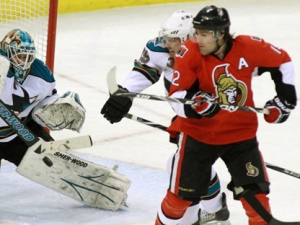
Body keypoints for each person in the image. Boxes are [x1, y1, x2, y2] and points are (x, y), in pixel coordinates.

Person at [155, 5, 297, 225]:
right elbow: (177, 97)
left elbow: (283, 60)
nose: (197, 39)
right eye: (197, 33)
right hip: (199, 137)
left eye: (204, 34)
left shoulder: (248, 46)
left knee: (256, 201)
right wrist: (196, 104)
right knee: (179, 201)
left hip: (241, 137)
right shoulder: (188, 52)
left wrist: (285, 100)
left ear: (221, 34)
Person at [101, 11, 231, 225]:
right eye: (166, 38)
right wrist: (125, 93)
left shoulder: (210, 53)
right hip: (186, 114)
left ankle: (204, 213)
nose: (167, 43)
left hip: (212, 114)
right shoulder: (159, 47)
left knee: (183, 165)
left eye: (174, 39)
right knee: (187, 165)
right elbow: (145, 69)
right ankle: (213, 209)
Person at [0, 28, 85, 166]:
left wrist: (56, 107)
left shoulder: (41, 74)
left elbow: (45, 101)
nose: (23, 61)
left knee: (51, 165)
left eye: (26, 56)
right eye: (19, 56)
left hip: (16, 135)